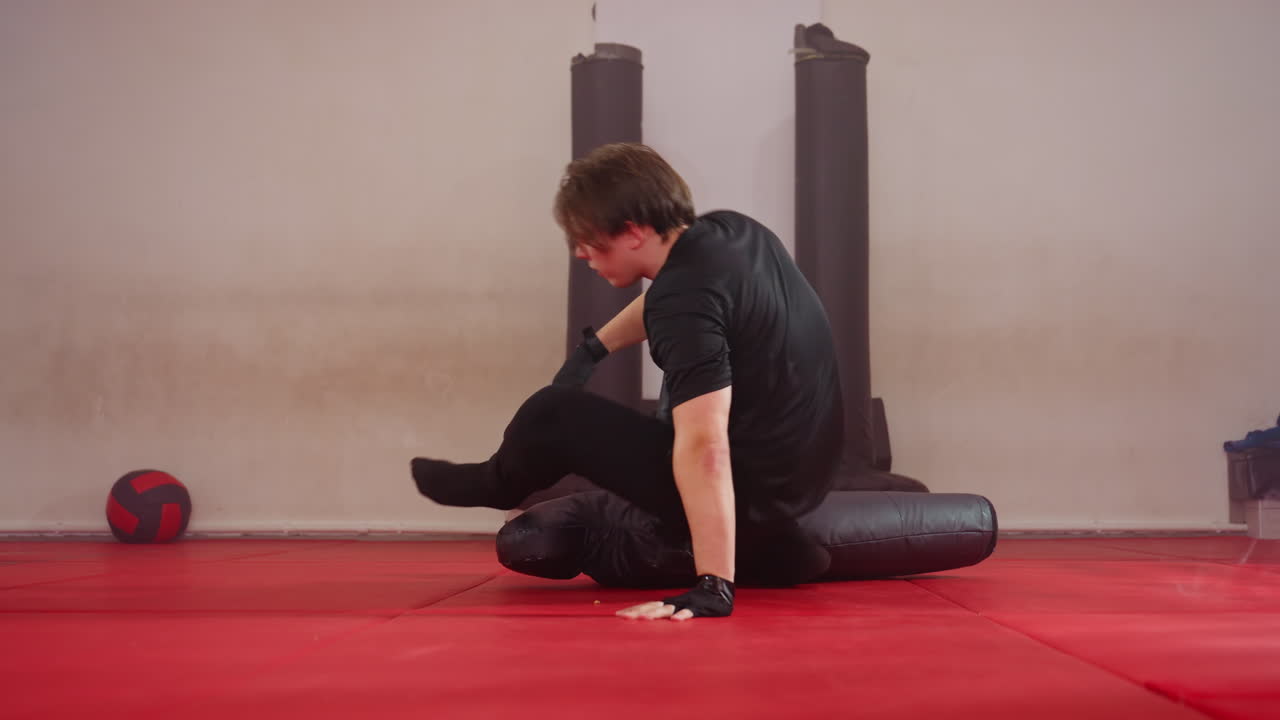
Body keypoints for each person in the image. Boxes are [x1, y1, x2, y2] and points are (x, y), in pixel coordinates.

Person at [412, 143, 843, 620]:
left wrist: (713, 586)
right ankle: (781, 550)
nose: (581, 254)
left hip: (757, 490)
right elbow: (669, 299)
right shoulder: (730, 232)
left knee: (553, 413)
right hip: (807, 472)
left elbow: (705, 443)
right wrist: (593, 349)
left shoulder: (682, 302)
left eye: (590, 242)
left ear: (633, 233)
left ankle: (492, 484)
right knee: (674, 396)